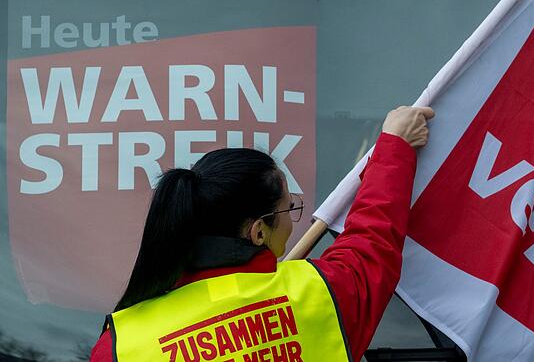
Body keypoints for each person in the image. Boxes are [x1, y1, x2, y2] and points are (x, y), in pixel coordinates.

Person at [89, 106, 435, 362]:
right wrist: (394, 146)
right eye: (288, 209)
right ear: (257, 232)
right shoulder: (317, 295)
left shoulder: (123, 344)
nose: (292, 220)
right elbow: (371, 241)